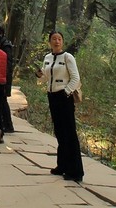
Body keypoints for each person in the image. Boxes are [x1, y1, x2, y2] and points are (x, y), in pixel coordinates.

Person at [38, 30, 84, 182]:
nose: (56, 41)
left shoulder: (68, 57)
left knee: (69, 132)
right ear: (49, 42)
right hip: (52, 97)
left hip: (64, 97)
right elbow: (46, 77)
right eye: (53, 39)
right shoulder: (47, 57)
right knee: (59, 131)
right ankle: (62, 165)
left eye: (59, 39)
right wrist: (40, 75)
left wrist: (67, 92)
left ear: (62, 41)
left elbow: (75, 78)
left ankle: (76, 171)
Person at [0, 25, 16, 132]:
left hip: (4, 77)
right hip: (1, 77)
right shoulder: (0, 44)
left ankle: (8, 125)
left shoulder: (6, 46)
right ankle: (3, 123)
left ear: (1, 33)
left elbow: (8, 63)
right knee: (0, 101)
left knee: (3, 101)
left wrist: (4, 77)